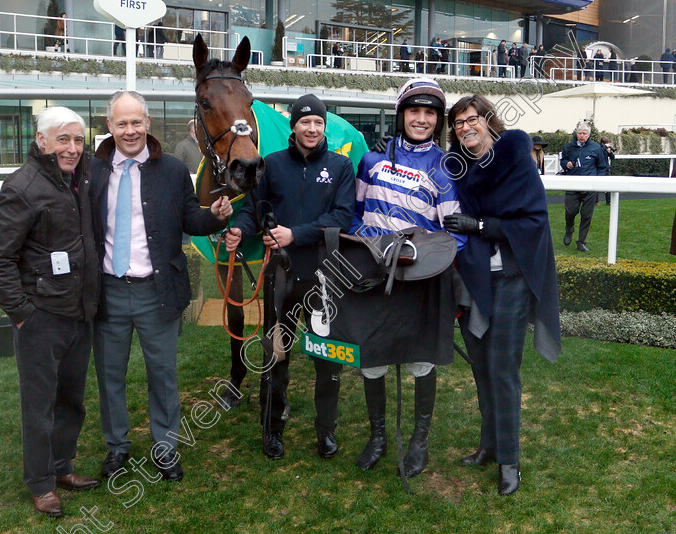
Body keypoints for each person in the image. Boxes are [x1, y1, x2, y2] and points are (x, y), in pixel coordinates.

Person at [90, 91, 232, 483]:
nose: (130, 130)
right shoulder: (94, 171)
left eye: (137, 122)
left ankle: (165, 447)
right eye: (122, 123)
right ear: (110, 127)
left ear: (148, 123)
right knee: (110, 375)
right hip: (109, 291)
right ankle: (117, 447)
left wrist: (215, 217)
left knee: (163, 375)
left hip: (158, 292)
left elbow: (191, 219)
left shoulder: (170, 170)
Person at [224, 94, 355, 460]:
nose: (311, 129)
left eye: (318, 123)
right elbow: (254, 211)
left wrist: (295, 233)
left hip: (326, 276)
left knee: (327, 359)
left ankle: (326, 432)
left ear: (324, 127)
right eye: (304, 122)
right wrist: (239, 230)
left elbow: (342, 217)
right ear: (293, 126)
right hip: (280, 276)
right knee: (275, 356)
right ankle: (272, 428)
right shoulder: (272, 164)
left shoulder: (342, 166)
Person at [0, 106, 102, 517]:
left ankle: (61, 467)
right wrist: (21, 314)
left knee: (71, 399)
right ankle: (40, 483)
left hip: (78, 313)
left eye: (78, 140)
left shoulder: (82, 177)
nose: (72, 148)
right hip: (40, 317)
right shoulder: (22, 186)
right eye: (63, 139)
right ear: (41, 141)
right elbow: (0, 257)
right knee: (39, 405)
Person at [443, 94, 561, 496]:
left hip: (512, 278)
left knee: (502, 371)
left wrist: (479, 225)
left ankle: (510, 461)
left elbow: (533, 220)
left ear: (488, 121)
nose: (465, 128)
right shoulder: (458, 171)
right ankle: (489, 447)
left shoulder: (517, 161)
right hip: (475, 280)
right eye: (458, 124)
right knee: (479, 366)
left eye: (471, 120)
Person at [350, 78, 466, 474]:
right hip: (373, 275)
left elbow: (454, 234)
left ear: (438, 120)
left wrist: (427, 259)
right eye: (414, 111)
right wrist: (365, 249)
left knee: (420, 362)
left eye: (429, 113)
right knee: (372, 360)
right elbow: (355, 212)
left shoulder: (445, 168)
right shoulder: (371, 160)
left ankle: (419, 442)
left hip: (420, 279)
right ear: (401, 115)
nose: (421, 119)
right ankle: (378, 436)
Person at [560, 121, 607, 252]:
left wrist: (597, 182)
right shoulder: (568, 148)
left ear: (589, 135)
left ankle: (581, 242)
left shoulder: (596, 148)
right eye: (580, 133)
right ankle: (569, 228)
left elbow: (602, 167)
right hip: (572, 186)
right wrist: (566, 164)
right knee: (570, 212)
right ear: (576, 134)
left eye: (584, 133)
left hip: (589, 188)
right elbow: (563, 161)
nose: (582, 136)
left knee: (586, 215)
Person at [600, 137, 616, 205]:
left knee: (609, 185)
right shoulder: (599, 148)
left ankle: (608, 202)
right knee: (597, 185)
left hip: (606, 169)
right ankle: (595, 201)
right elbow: (599, 152)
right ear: (602, 143)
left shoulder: (606, 149)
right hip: (600, 169)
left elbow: (613, 157)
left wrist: (610, 152)